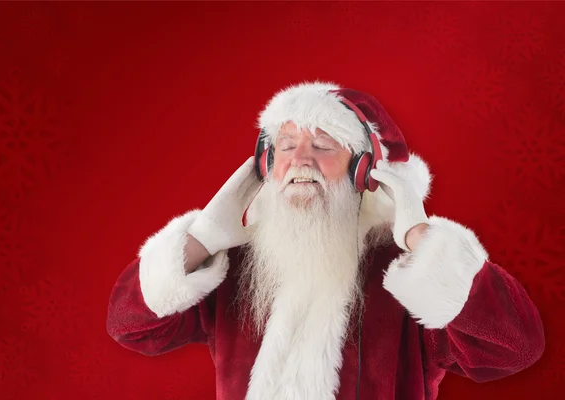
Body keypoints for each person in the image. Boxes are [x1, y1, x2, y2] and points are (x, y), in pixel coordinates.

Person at [106, 81, 545, 400]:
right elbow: (132, 327)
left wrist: (419, 236)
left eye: (323, 145)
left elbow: (514, 348)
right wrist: (203, 236)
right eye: (286, 145)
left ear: (365, 172)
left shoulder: (410, 277)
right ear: (265, 164)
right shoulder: (242, 268)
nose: (299, 159)